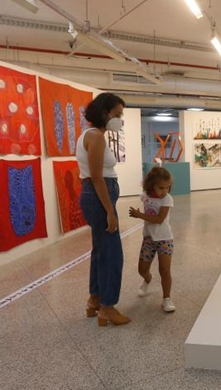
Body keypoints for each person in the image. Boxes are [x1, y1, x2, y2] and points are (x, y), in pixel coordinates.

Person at [77, 92, 131, 326]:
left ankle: (95, 300)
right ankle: (107, 307)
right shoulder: (96, 137)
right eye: (117, 114)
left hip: (96, 195)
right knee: (112, 253)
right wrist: (110, 211)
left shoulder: (90, 135)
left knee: (100, 250)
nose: (119, 119)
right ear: (104, 112)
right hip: (99, 196)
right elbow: (97, 177)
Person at [129, 167, 176, 313]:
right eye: (161, 187)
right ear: (151, 185)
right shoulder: (145, 196)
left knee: (165, 270)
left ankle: (166, 299)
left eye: (167, 187)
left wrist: (140, 215)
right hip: (148, 238)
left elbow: (159, 219)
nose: (165, 190)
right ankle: (147, 280)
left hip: (165, 239)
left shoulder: (167, 199)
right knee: (142, 269)